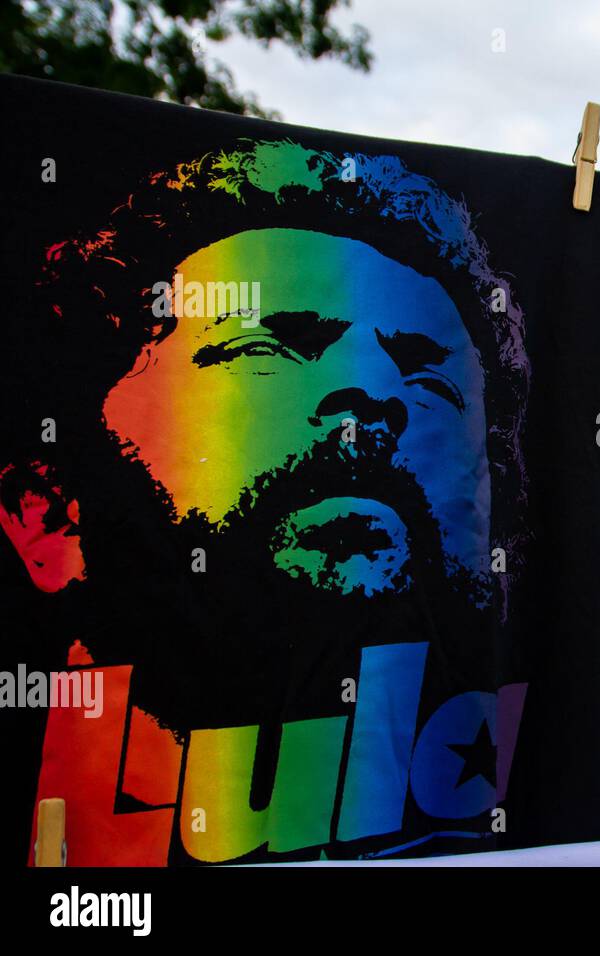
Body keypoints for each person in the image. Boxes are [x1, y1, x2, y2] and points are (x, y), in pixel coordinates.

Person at [0, 139, 530, 727]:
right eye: (263, 349)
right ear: (52, 514)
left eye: (430, 375)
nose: (377, 392)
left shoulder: (533, 787)